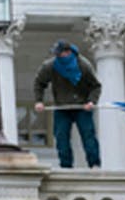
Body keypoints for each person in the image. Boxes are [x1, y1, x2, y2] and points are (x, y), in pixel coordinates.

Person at [33, 39, 103, 169]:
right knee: (61, 137)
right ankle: (66, 165)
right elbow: (39, 83)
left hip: (82, 107)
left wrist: (92, 101)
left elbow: (96, 86)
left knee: (88, 136)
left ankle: (94, 163)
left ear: (68, 52)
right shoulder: (51, 66)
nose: (58, 56)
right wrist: (39, 101)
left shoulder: (83, 65)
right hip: (62, 107)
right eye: (56, 54)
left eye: (60, 54)